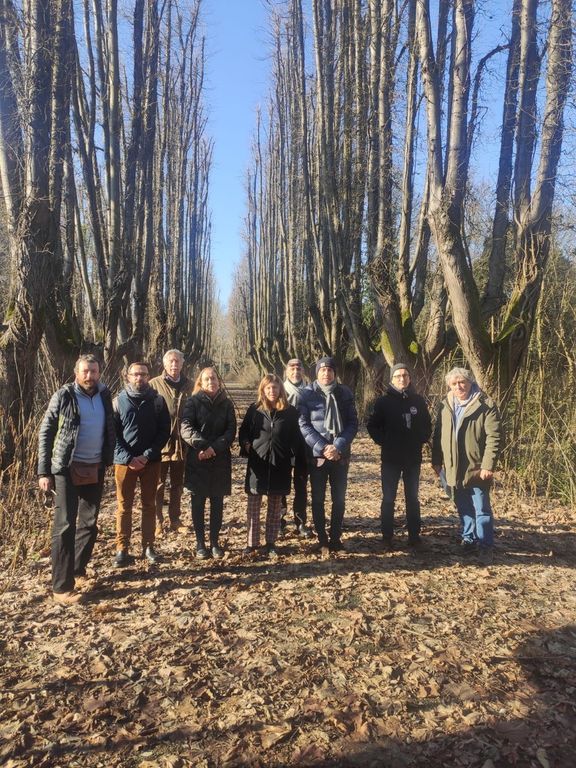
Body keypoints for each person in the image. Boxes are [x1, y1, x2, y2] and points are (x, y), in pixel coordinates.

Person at [38, 354, 116, 604]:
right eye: (85, 371)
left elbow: (110, 427)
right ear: (76, 373)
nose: (89, 376)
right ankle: (61, 587)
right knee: (64, 525)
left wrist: (109, 456)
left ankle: (77, 569)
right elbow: (46, 431)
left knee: (89, 523)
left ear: (99, 373)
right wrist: (44, 471)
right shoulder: (64, 395)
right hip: (66, 468)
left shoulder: (104, 394)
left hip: (95, 467)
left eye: (94, 371)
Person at [432, 367, 502, 565]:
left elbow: (494, 437)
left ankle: (485, 545)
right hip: (452, 467)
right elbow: (438, 434)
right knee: (462, 505)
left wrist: (488, 465)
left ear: (470, 382)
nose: (459, 387)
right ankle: (468, 538)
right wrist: (436, 460)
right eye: (454, 384)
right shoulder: (445, 405)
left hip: (477, 467)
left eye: (462, 382)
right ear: (449, 386)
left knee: (482, 508)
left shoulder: (485, 404)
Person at [366, 363, 432, 549]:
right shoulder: (383, 402)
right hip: (391, 459)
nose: (402, 379)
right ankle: (386, 536)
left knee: (413, 498)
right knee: (388, 498)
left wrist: (421, 438)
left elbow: (427, 424)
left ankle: (414, 536)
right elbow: (372, 425)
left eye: (405, 375)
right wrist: (384, 441)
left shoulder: (418, 400)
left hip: (413, 458)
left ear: (409, 379)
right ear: (392, 379)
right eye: (398, 376)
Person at [298, 357, 358, 554]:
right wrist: (323, 447)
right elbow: (304, 424)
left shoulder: (345, 393)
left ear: (334, 373)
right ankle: (322, 539)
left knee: (339, 499)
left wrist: (338, 446)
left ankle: (335, 538)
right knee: (317, 499)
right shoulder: (307, 393)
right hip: (318, 456)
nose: (326, 373)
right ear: (317, 373)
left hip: (340, 456)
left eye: (330, 370)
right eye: (322, 370)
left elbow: (353, 423)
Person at [113, 362, 171, 566]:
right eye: (135, 374)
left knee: (149, 505)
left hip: (151, 462)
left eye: (143, 374)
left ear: (148, 376)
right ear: (128, 376)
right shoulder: (117, 401)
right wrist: (128, 458)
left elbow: (164, 431)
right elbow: (112, 434)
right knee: (124, 506)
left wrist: (147, 455)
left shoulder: (158, 401)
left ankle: (148, 546)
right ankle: (122, 548)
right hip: (124, 463)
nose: (139, 378)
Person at [239, 374, 301, 559]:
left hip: (280, 465)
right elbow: (243, 432)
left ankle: (271, 542)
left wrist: (291, 458)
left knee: (275, 507)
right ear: (263, 390)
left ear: (280, 389)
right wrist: (246, 445)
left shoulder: (290, 412)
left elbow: (296, 438)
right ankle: (252, 543)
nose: (272, 391)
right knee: (253, 507)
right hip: (257, 463)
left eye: (275, 387)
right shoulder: (255, 410)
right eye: (268, 388)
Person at [180, 367, 236, 559]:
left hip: (220, 459)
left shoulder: (226, 403)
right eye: (207, 379)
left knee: (217, 502)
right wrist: (203, 446)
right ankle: (200, 543)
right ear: (200, 382)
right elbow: (186, 427)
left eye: (213, 378)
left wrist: (215, 448)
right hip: (198, 459)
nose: (211, 381)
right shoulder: (193, 402)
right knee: (198, 502)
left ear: (218, 381)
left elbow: (231, 430)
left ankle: (214, 542)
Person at [149, 349, 194, 536]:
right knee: (158, 485)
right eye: (171, 361)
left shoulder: (191, 385)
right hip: (160, 444)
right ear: (165, 364)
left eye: (177, 361)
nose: (174, 365)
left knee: (177, 485)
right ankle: (157, 521)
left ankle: (175, 519)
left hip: (182, 445)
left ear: (182, 364)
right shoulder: (153, 385)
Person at [281, 358, 312, 538]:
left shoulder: (310, 390)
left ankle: (301, 522)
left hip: (304, 443)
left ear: (303, 371)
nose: (295, 371)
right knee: (281, 485)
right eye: (292, 368)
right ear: (287, 371)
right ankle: (279, 522)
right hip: (283, 443)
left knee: (301, 485)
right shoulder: (279, 389)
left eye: (298, 368)